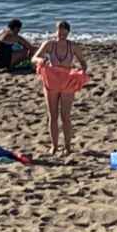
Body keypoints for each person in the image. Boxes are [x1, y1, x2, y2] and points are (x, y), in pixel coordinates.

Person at [33, 21, 89, 155]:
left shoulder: (73, 46)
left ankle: (68, 147)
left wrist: (80, 70)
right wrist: (40, 61)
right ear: (56, 31)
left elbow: (83, 63)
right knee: (52, 115)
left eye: (64, 32)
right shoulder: (49, 44)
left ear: (68, 32)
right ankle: (54, 146)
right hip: (51, 81)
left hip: (67, 83)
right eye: (59, 31)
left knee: (65, 116)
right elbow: (34, 57)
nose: (61, 34)